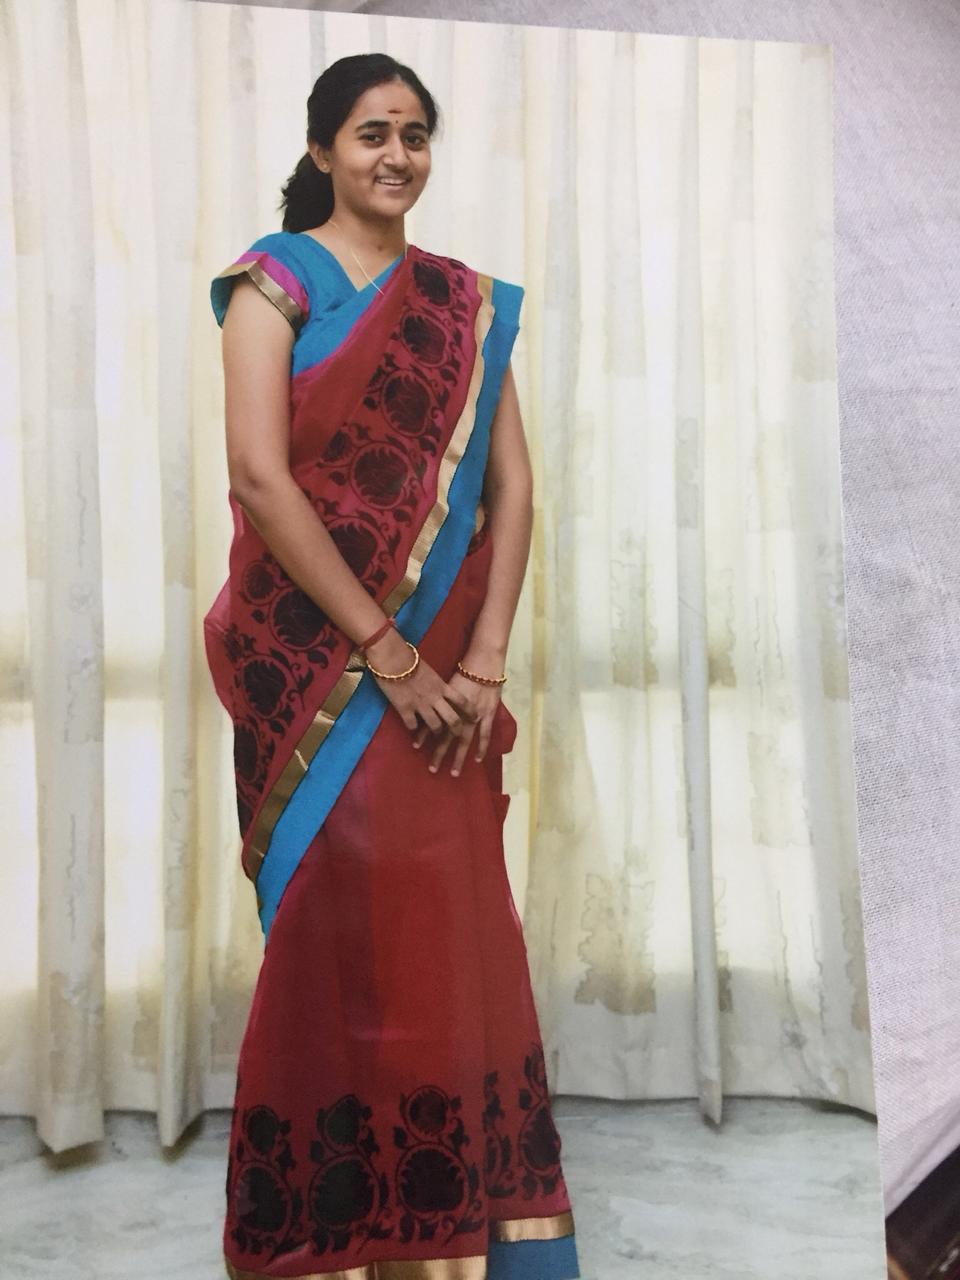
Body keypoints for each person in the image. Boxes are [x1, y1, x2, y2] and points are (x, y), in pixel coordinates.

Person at [204, 52, 580, 1280]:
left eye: (415, 133)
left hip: (446, 682)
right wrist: (387, 652)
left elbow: (513, 488)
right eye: (372, 132)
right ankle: (336, 1228)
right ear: (323, 150)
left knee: (447, 933)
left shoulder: (461, 303)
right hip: (313, 670)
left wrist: (481, 663)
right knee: (338, 939)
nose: (397, 155)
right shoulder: (273, 284)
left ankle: (456, 1234)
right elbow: (261, 477)